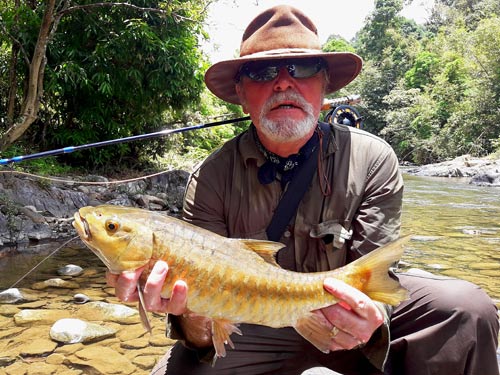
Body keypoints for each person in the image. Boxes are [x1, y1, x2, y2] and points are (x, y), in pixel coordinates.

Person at [107, 5, 499, 375]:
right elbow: (203, 333)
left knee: (466, 310)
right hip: (255, 324)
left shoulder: (373, 159)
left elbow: (378, 278)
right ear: (242, 95)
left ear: (324, 87)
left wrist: (373, 321)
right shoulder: (211, 177)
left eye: (303, 67)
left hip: (342, 312)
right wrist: (192, 316)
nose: (283, 82)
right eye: (262, 73)